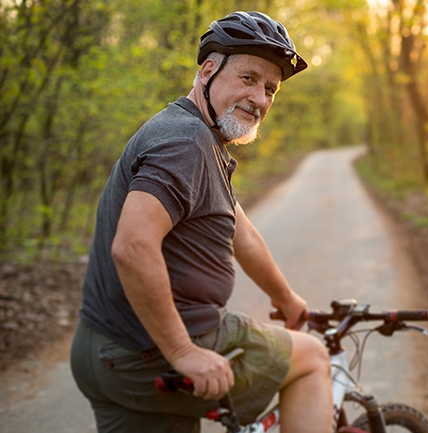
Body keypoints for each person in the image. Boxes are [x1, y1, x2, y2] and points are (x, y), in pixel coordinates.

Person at [70, 11, 333, 433]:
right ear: (209, 70)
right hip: (152, 352)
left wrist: (286, 298)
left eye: (270, 88)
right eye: (249, 78)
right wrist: (182, 352)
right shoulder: (186, 143)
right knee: (312, 360)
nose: (261, 99)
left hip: (101, 351)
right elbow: (132, 247)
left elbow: (240, 231)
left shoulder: (193, 135)